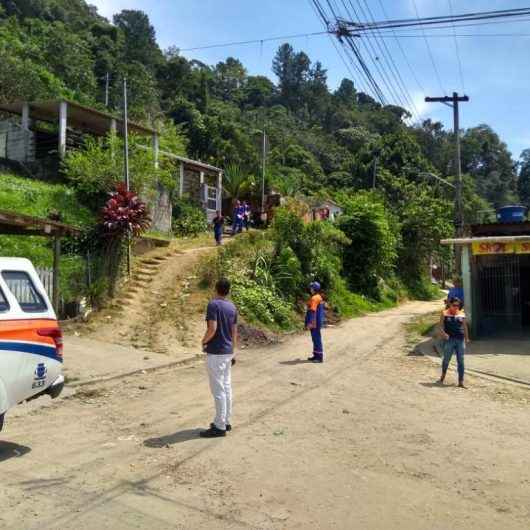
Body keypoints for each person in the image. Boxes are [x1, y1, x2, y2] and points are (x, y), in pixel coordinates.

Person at [200, 278, 238, 438]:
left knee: (218, 389)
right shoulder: (232, 307)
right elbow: (234, 331)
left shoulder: (213, 305)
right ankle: (226, 420)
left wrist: (203, 341)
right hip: (228, 351)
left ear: (216, 289)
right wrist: (233, 350)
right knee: (226, 386)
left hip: (216, 352)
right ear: (228, 291)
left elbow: (212, 328)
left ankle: (219, 425)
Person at [439, 297, 470, 388]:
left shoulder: (461, 314)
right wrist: (444, 334)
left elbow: (465, 327)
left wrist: (467, 338)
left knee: (461, 360)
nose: (456, 307)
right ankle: (443, 374)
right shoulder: (444, 313)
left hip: (460, 340)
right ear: (450, 304)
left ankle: (461, 381)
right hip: (449, 340)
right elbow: (440, 326)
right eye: (454, 305)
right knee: (446, 359)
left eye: (458, 305)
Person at [305, 281, 325, 363]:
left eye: (311, 288)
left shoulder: (314, 298)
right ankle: (316, 355)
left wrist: (311, 323)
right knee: (315, 338)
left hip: (315, 321)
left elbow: (313, 311)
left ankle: (319, 357)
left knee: (316, 339)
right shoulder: (318, 297)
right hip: (317, 320)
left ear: (314, 289)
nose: (310, 289)